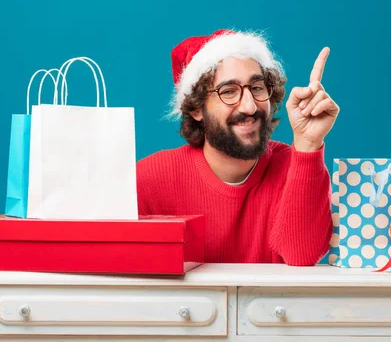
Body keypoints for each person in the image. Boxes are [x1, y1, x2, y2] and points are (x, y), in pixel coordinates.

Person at [136, 29, 339, 266]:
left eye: (257, 88)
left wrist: (308, 144)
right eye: (229, 91)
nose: (250, 106)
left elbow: (302, 256)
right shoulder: (150, 180)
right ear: (196, 108)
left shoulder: (294, 166)